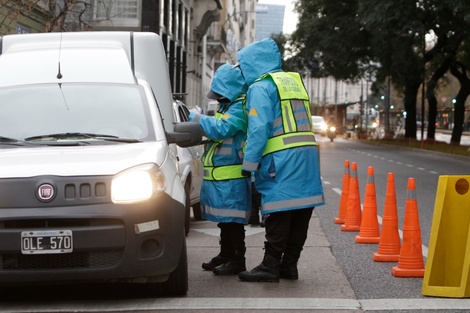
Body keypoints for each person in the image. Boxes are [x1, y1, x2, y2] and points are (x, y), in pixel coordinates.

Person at [236, 38, 325, 282]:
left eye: (243, 66)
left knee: (279, 211)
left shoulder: (261, 87)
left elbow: (258, 129)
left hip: (281, 160)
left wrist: (249, 165)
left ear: (252, 64)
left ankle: (270, 266)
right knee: (301, 211)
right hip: (306, 157)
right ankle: (289, 266)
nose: (242, 72)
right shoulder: (293, 81)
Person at [189, 63, 251, 275]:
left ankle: (237, 259)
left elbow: (221, 128)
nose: (217, 99)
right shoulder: (228, 105)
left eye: (220, 94)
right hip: (224, 175)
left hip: (232, 175)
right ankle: (226, 254)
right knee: (226, 221)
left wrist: (195, 118)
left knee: (233, 221)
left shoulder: (240, 107)